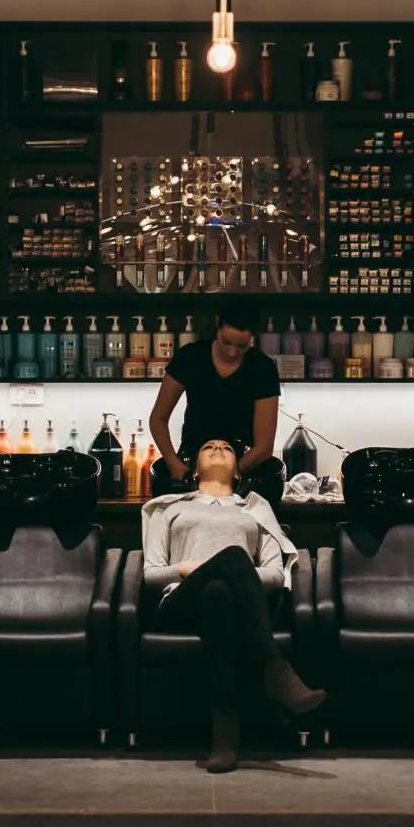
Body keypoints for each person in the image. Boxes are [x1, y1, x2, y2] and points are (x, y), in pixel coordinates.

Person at [141, 439, 326, 772]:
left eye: (226, 448)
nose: (216, 447)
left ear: (238, 472)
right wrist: (186, 568)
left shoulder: (256, 510)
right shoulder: (167, 508)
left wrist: (230, 570)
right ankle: (276, 670)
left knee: (219, 594)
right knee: (232, 560)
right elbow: (151, 573)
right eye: (208, 446)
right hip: (179, 602)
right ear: (195, 470)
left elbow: (274, 573)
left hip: (232, 606)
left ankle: (224, 742)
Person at [148, 302, 279, 495]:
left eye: (242, 346)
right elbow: (158, 419)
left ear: (252, 338)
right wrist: (173, 463)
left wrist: (231, 473)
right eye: (226, 342)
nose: (232, 352)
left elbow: (264, 446)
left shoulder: (262, 369)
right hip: (193, 460)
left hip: (243, 467)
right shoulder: (190, 358)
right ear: (218, 328)